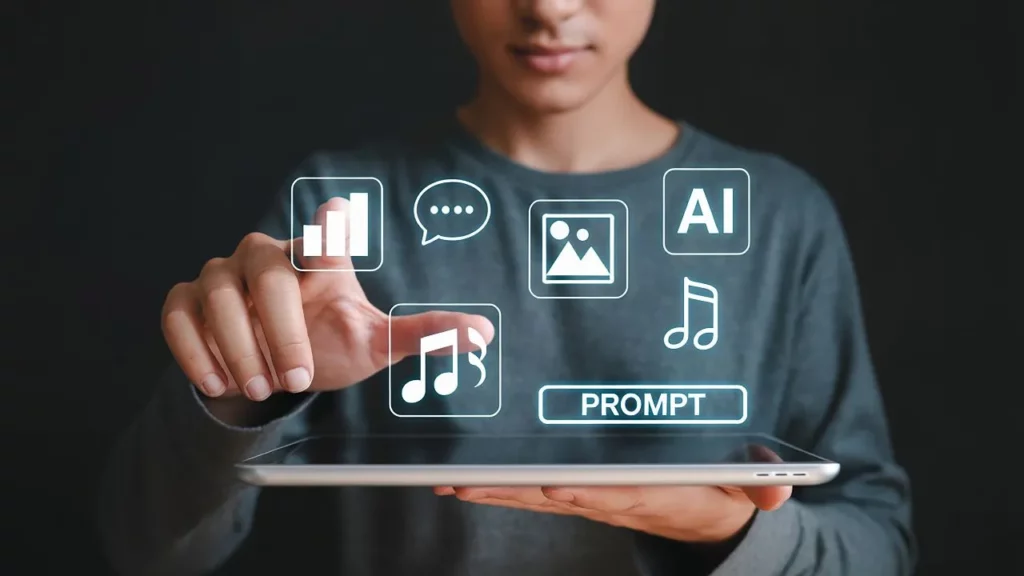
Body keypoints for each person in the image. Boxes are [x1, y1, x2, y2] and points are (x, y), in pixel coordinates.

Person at [99, 1, 914, 574]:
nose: (549, 8)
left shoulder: (778, 214)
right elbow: (149, 552)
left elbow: (877, 546)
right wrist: (245, 398)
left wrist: (727, 529)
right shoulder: (338, 210)